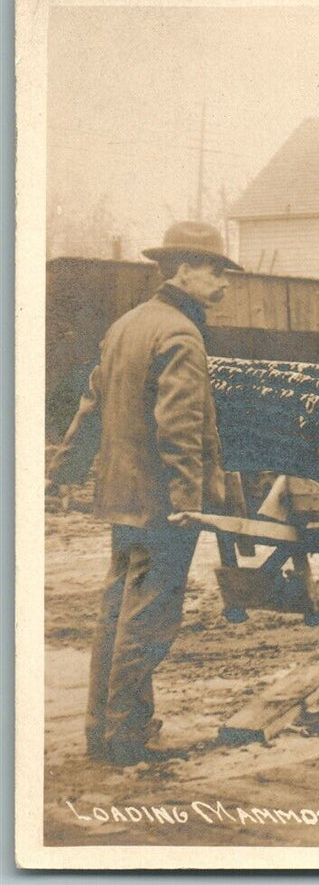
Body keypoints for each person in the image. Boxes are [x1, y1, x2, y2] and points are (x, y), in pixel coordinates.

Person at [46, 221, 241, 765]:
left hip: (122, 499)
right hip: (163, 506)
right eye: (216, 270)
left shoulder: (126, 326)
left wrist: (63, 473)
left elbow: (89, 408)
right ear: (182, 270)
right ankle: (128, 736)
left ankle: (101, 733)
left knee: (115, 614)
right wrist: (188, 501)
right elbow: (179, 426)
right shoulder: (181, 333)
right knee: (150, 620)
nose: (224, 283)